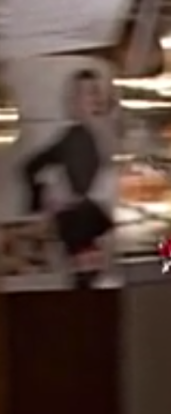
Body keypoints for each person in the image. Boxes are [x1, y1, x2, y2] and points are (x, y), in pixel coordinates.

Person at [22, 68, 116, 286]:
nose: (88, 100)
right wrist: (40, 202)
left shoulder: (107, 133)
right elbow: (30, 167)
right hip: (87, 236)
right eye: (79, 95)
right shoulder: (73, 139)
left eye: (93, 93)